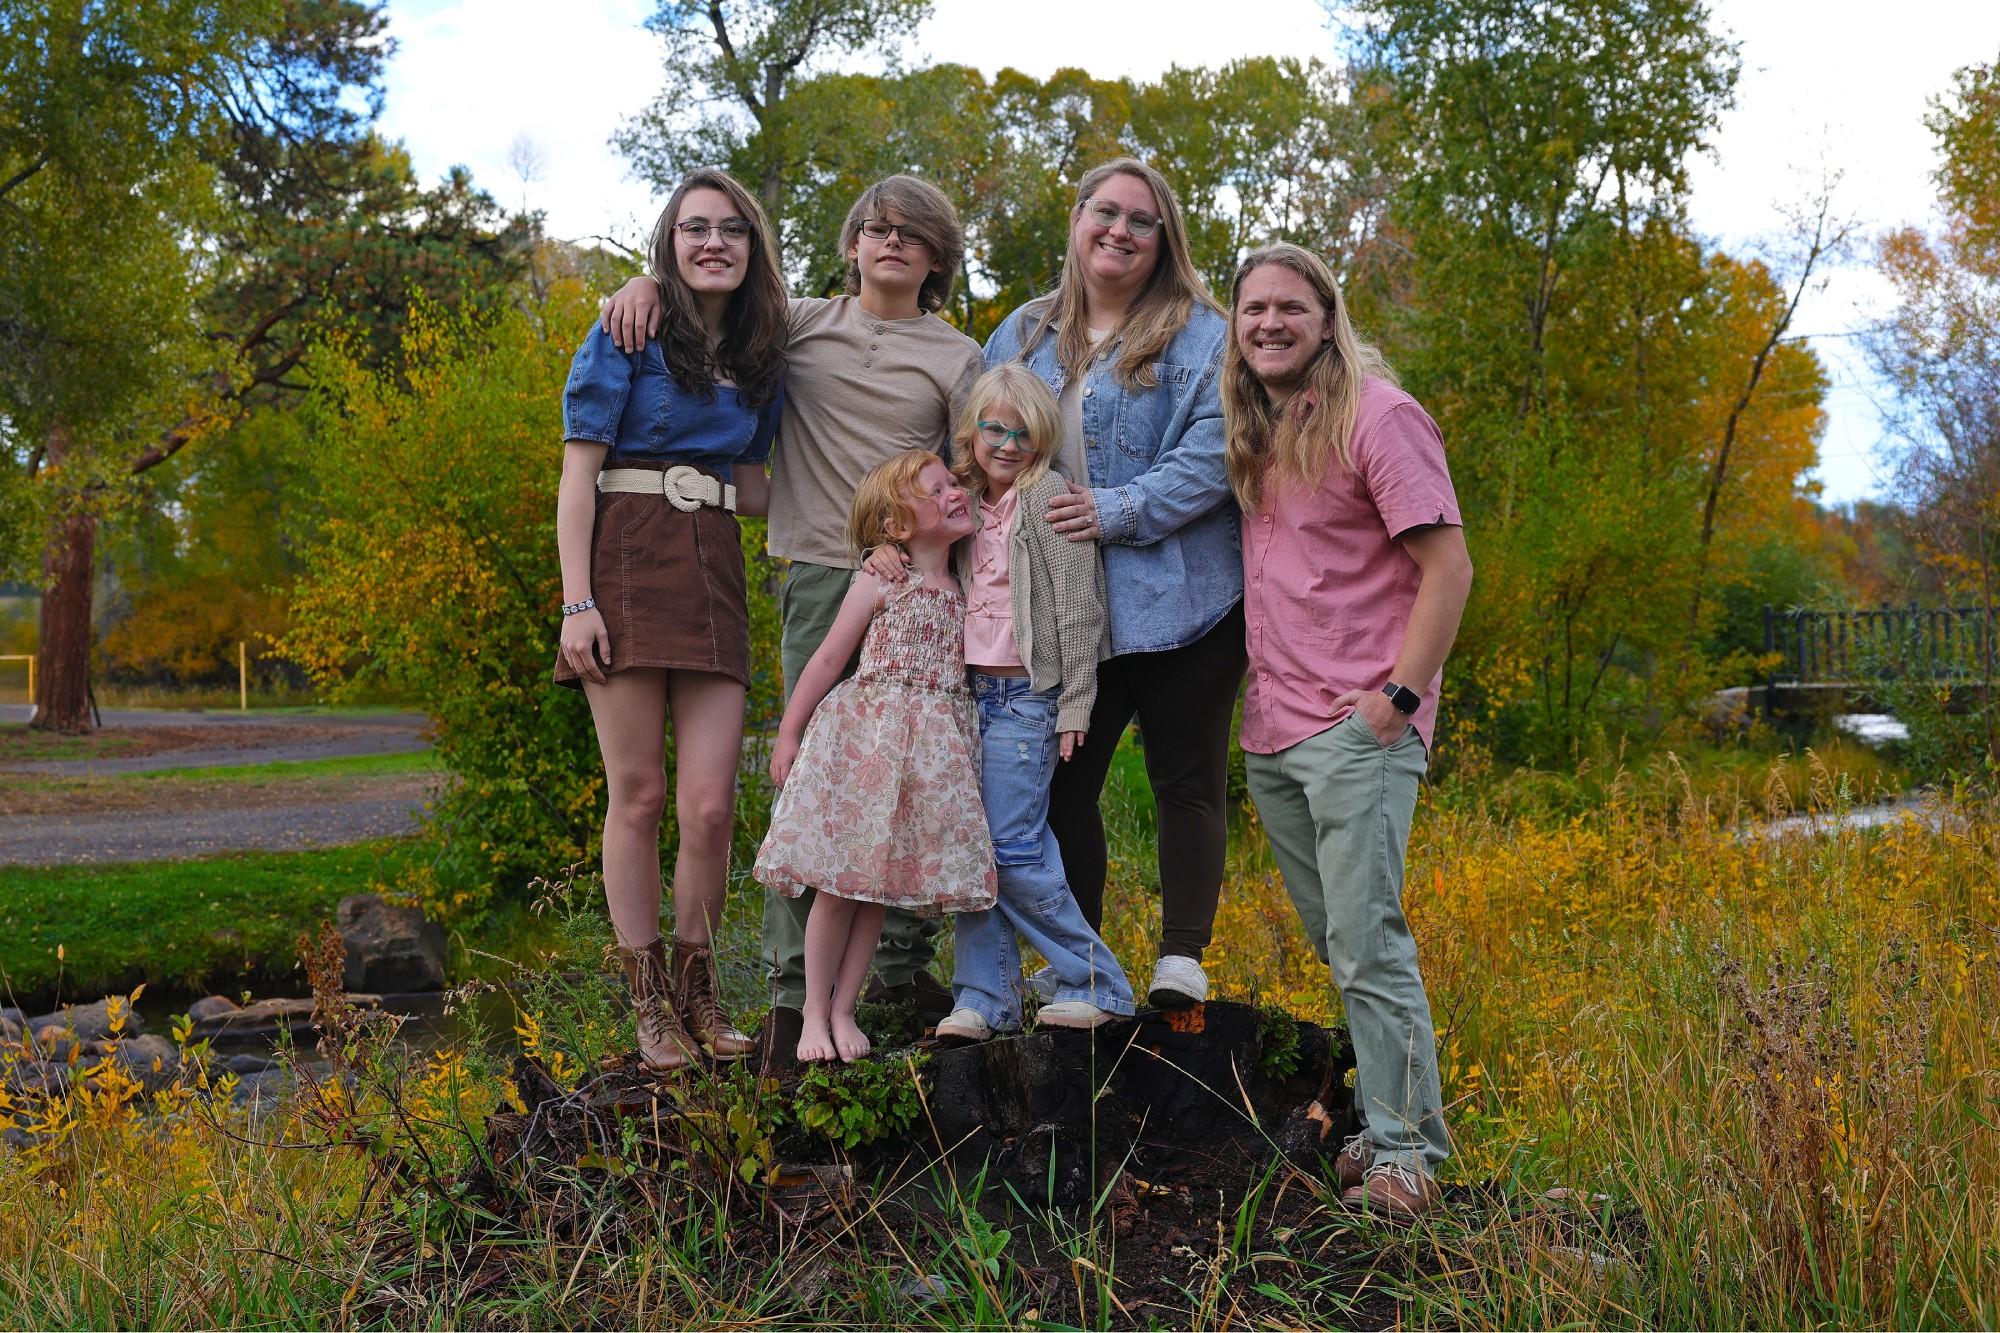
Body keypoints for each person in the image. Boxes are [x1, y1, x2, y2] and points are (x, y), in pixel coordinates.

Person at [604, 176, 982, 1057]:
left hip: (918, 590)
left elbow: (970, 475)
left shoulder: (955, 357)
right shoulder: (802, 324)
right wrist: (640, 285)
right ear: (851, 244)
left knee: (910, 781)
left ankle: (886, 975)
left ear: (935, 260)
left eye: (912, 235)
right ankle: (787, 991)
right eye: (877, 229)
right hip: (820, 567)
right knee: (814, 779)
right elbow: (710, 309)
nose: (892, 243)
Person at [1222, 242, 1473, 1220]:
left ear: (1326, 317)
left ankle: (1408, 1152)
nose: (1270, 323)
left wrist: (1398, 701)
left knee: (1369, 940)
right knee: (1338, 941)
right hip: (1273, 731)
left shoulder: (1379, 414)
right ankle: (1384, 1117)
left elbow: (1447, 569)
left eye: (1291, 307)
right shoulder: (1257, 426)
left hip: (1357, 725)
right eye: (1253, 310)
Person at [983, 158, 1242, 1010]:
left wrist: (1119, 508)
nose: (1120, 231)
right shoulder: (1021, 333)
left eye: (1141, 220)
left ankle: (1181, 959)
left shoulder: (1204, 333)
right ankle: (1081, 970)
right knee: (1061, 786)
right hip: (1061, 612)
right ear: (1078, 218)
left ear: (1165, 239)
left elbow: (1216, 450)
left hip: (1184, 597)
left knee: (1186, 778)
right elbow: (979, 441)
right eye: (1106, 212)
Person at [555, 167, 787, 1074]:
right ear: (669, 242)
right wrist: (577, 601)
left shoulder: (767, 350)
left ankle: (701, 994)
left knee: (712, 805)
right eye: (694, 229)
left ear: (752, 245)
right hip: (623, 561)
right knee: (641, 794)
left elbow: (763, 485)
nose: (712, 243)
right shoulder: (628, 328)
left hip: (714, 565)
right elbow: (579, 474)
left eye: (731, 229)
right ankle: (649, 1007)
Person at [867, 365, 1136, 1040]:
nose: (1009, 444)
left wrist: (1076, 702)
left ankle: (1097, 980)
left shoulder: (1047, 499)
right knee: (970, 847)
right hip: (966, 698)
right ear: (973, 432)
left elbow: (1079, 610)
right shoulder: (963, 503)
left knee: (1010, 847)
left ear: (1042, 438)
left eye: (1024, 433)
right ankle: (986, 998)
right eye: (995, 429)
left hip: (1026, 698)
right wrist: (880, 552)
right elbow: (909, 529)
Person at [753, 451, 998, 1063]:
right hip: (868, 747)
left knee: (876, 894)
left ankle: (844, 1010)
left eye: (952, 482)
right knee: (839, 886)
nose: (954, 492)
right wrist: (789, 733)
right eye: (936, 489)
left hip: (926, 760)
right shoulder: (882, 577)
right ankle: (812, 1013)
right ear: (896, 528)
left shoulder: (969, 576)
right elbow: (829, 658)